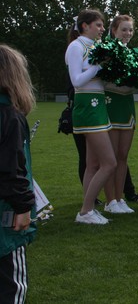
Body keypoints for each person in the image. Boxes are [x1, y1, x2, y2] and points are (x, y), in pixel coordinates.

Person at [65, 9, 117, 224]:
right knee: (110, 163)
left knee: (93, 164)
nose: (103, 29)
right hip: (87, 105)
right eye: (99, 25)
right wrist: (99, 66)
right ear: (85, 26)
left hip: (98, 104)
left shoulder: (95, 46)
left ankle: (88, 210)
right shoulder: (76, 46)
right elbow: (76, 80)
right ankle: (86, 211)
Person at [0, 44, 37, 303]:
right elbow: (10, 169)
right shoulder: (10, 117)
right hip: (6, 215)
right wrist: (24, 206)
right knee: (11, 287)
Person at [103, 14, 137, 214]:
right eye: (124, 29)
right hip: (111, 104)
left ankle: (119, 197)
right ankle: (110, 201)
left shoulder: (133, 55)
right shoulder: (106, 51)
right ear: (114, 30)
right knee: (112, 158)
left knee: (123, 155)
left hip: (127, 105)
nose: (128, 33)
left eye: (130, 30)